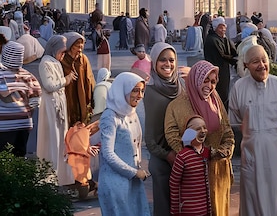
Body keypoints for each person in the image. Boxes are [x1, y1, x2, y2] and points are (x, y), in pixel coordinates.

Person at [229, 45, 277, 216]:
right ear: (245, 65)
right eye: (255, 62)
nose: (261, 65)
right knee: (252, 203)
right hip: (251, 157)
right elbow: (235, 120)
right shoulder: (239, 87)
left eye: (264, 60)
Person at [165, 60, 235, 216]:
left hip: (218, 171)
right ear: (195, 78)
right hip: (193, 174)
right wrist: (193, 156)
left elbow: (227, 131)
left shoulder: (216, 102)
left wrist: (224, 151)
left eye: (213, 82)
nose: (209, 86)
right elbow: (172, 135)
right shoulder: (176, 106)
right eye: (205, 80)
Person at [98, 72, 150, 216]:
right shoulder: (110, 116)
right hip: (115, 184)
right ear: (123, 90)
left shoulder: (131, 112)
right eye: (135, 90)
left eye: (142, 91)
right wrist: (134, 172)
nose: (140, 95)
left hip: (133, 181)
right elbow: (108, 154)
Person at [144, 42, 185, 216]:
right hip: (162, 161)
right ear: (154, 62)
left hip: (183, 157)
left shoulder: (181, 86)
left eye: (171, 60)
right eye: (162, 60)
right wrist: (167, 155)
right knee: (164, 208)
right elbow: (149, 137)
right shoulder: (148, 91)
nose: (167, 64)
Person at [36, 34, 76, 186]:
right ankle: (49, 176)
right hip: (51, 107)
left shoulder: (55, 63)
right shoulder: (45, 62)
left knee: (60, 141)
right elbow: (49, 85)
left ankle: (61, 176)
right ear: (54, 49)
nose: (63, 55)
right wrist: (65, 80)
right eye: (62, 51)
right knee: (52, 139)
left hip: (59, 106)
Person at [0, 40, 41, 156]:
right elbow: (35, 102)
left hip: (2, 126)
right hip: (23, 124)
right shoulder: (28, 76)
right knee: (19, 159)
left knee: (4, 161)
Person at [169, 116, 212, 216]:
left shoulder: (207, 153)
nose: (203, 131)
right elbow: (173, 183)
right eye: (197, 129)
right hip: (188, 211)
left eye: (204, 127)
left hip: (205, 210)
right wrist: (175, 211)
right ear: (189, 132)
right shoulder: (182, 156)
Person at [60, 31, 96, 126]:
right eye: (77, 47)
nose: (80, 50)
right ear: (70, 46)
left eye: (81, 47)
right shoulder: (62, 60)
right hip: (68, 94)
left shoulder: (83, 59)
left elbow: (90, 78)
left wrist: (92, 98)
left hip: (81, 94)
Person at [202, 16, 237, 109]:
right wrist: (236, 61)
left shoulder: (222, 38)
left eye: (224, 27)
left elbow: (232, 51)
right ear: (215, 28)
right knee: (219, 93)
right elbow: (222, 55)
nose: (223, 29)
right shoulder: (212, 40)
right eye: (221, 27)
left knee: (224, 93)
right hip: (216, 71)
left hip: (224, 70)